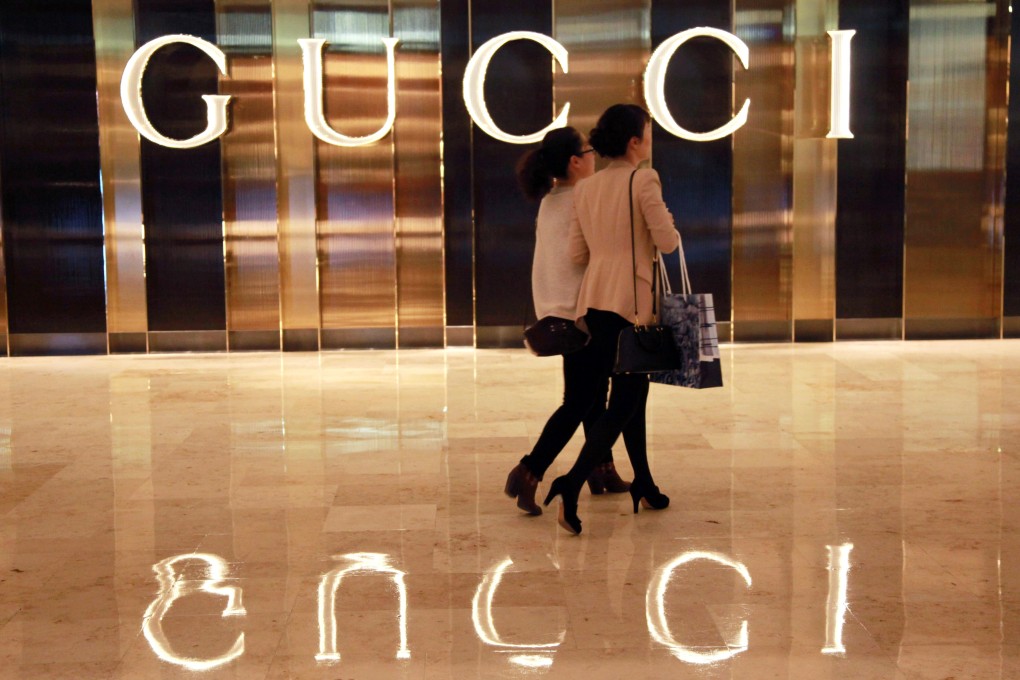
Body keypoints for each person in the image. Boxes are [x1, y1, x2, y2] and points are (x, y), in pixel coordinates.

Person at [543, 104, 680, 535]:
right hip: (633, 305)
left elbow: (577, 254)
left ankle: (645, 484)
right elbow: (668, 242)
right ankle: (571, 483)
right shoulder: (645, 179)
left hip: (596, 302)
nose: (651, 138)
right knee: (624, 403)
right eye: (648, 131)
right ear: (634, 140)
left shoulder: (587, 188)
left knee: (630, 401)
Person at [504, 126, 638, 515]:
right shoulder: (582, 198)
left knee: (594, 396)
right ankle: (529, 471)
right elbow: (589, 255)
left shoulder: (552, 199)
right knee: (579, 400)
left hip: (562, 313)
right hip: (584, 314)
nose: (595, 157)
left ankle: (601, 469)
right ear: (575, 161)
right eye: (589, 152)